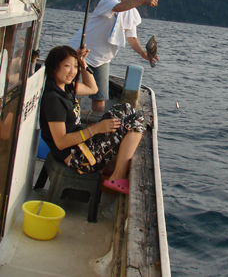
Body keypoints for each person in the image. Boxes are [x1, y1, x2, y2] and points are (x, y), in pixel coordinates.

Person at [40, 45, 147, 195]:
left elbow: (93, 89)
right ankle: (117, 176)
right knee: (137, 120)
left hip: (81, 143)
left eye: (75, 66)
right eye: (66, 66)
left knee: (126, 109)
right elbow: (61, 142)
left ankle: (114, 165)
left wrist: (83, 66)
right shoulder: (54, 100)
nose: (72, 71)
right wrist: (95, 130)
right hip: (78, 157)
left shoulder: (66, 87)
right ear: (53, 67)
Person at [70, 0, 159, 112]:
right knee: (76, 95)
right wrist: (143, 0)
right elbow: (118, 7)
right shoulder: (109, 0)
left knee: (100, 98)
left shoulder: (131, 12)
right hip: (80, 53)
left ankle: (96, 130)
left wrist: (143, 53)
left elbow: (132, 38)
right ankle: (71, 126)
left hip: (102, 59)